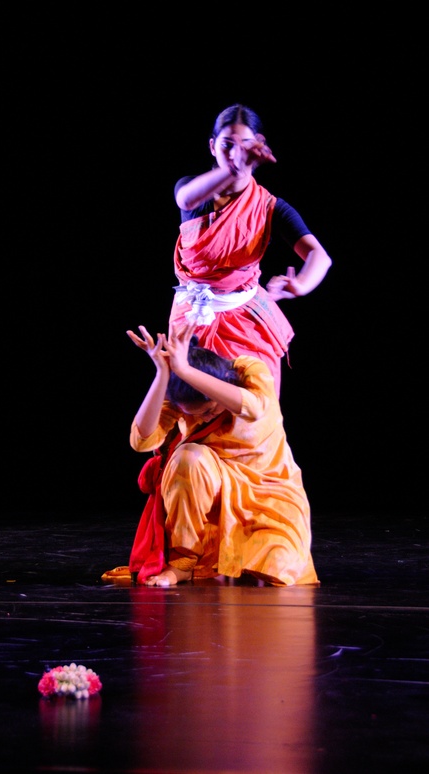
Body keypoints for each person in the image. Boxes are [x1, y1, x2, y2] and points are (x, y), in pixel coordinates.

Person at [123, 321, 319, 588]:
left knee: (279, 565)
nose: (206, 417)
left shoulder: (247, 371)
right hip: (212, 490)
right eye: (198, 414)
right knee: (187, 457)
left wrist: (185, 370)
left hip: (269, 493)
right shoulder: (182, 398)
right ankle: (183, 562)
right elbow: (141, 441)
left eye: (210, 409)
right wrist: (163, 374)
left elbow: (254, 408)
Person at [169, 103, 332, 396]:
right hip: (193, 320)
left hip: (246, 322)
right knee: (194, 407)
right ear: (212, 147)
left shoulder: (269, 207)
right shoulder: (192, 190)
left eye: (244, 146)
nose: (235, 153)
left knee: (253, 407)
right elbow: (186, 200)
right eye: (227, 145)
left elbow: (319, 257)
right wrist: (235, 167)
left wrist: (300, 284)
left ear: (258, 145)